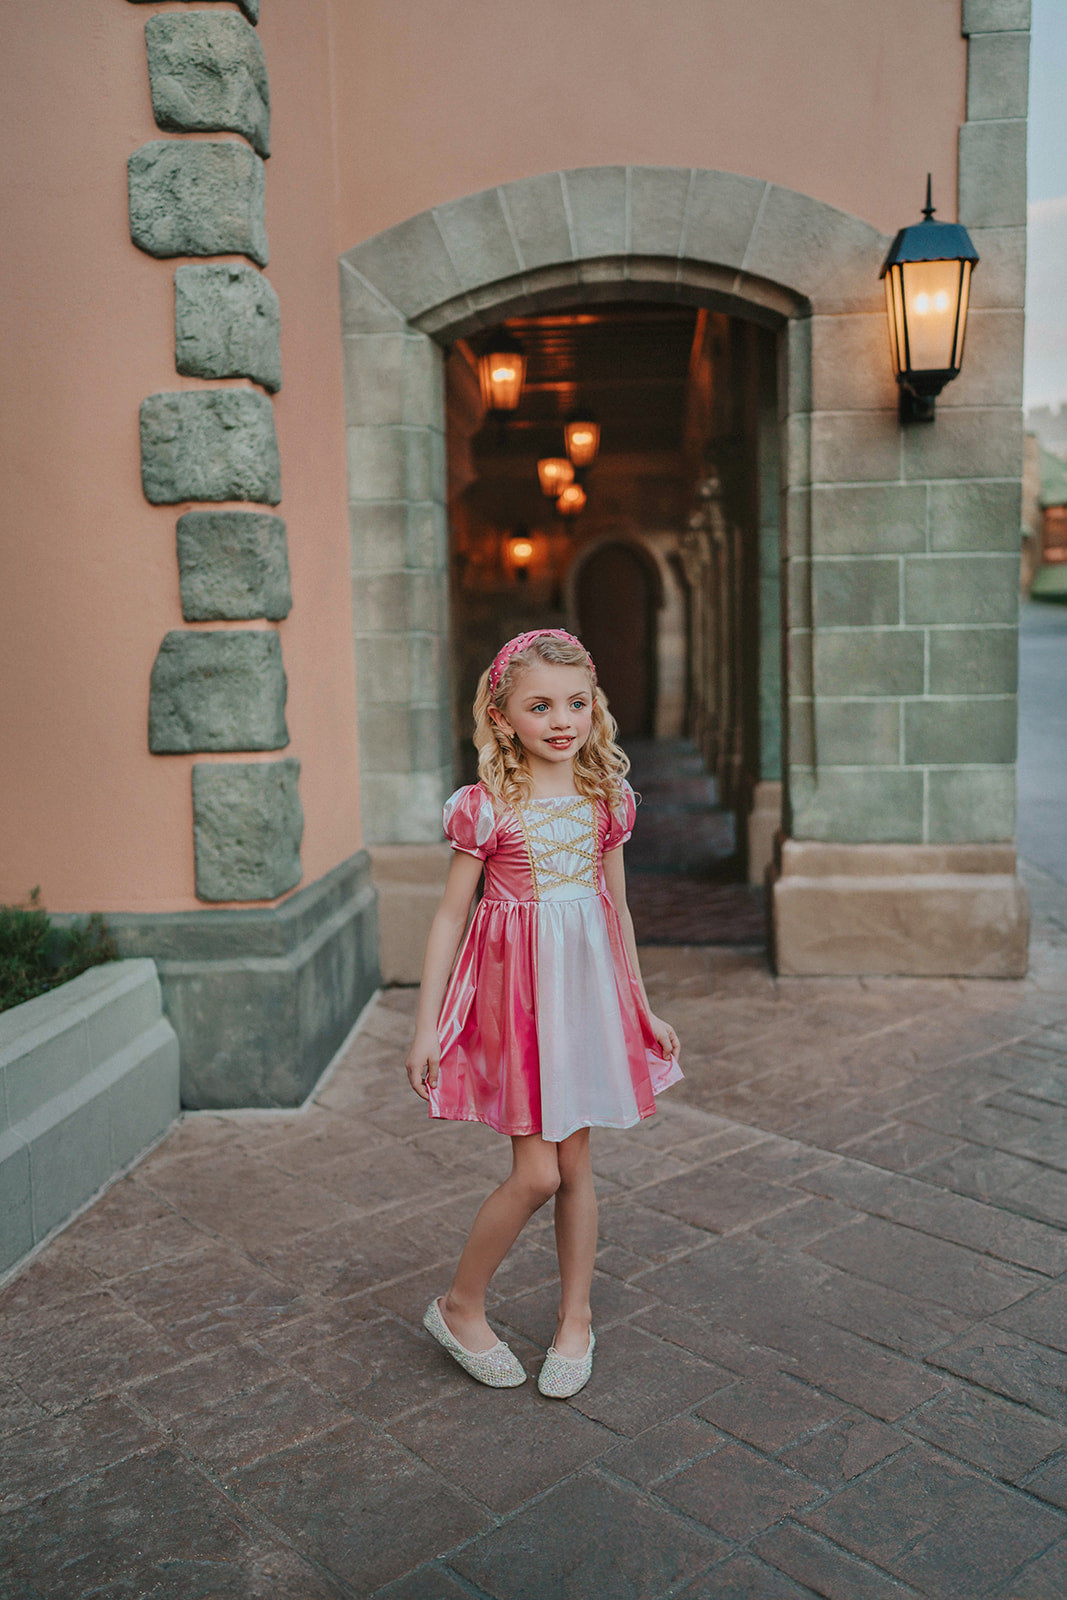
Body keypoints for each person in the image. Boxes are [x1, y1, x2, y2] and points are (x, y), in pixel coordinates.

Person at [404, 629, 682, 1398]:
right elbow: (448, 918)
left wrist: (641, 1007)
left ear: (594, 706)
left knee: (576, 1164)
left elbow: (617, 912)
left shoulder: (606, 802)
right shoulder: (487, 808)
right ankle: (459, 1305)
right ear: (501, 717)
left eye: (576, 703)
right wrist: (426, 1025)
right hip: (519, 1003)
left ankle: (574, 1319)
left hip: (586, 999)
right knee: (535, 1172)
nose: (561, 721)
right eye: (539, 706)